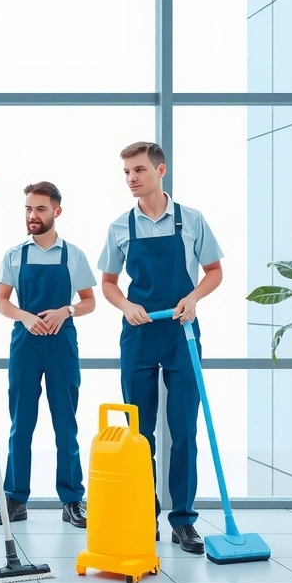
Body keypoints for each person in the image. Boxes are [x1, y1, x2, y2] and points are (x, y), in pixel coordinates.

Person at [98, 142, 223, 554]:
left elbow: (214, 272)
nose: (131, 178)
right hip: (138, 332)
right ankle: (142, 512)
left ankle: (184, 521)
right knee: (139, 432)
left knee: (184, 429)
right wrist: (127, 305)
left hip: (181, 329)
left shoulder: (192, 220)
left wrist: (194, 298)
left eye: (138, 170)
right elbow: (109, 284)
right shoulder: (119, 226)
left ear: (160, 170)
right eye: (126, 173)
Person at [0, 182, 96, 530]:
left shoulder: (73, 254)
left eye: (40, 209)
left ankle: (71, 500)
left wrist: (66, 311)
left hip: (62, 343)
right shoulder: (14, 254)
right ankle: (15, 499)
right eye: (28, 209)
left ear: (56, 212)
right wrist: (26, 316)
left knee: (66, 424)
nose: (32, 216)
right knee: (21, 422)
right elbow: (2, 302)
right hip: (25, 344)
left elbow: (89, 301)